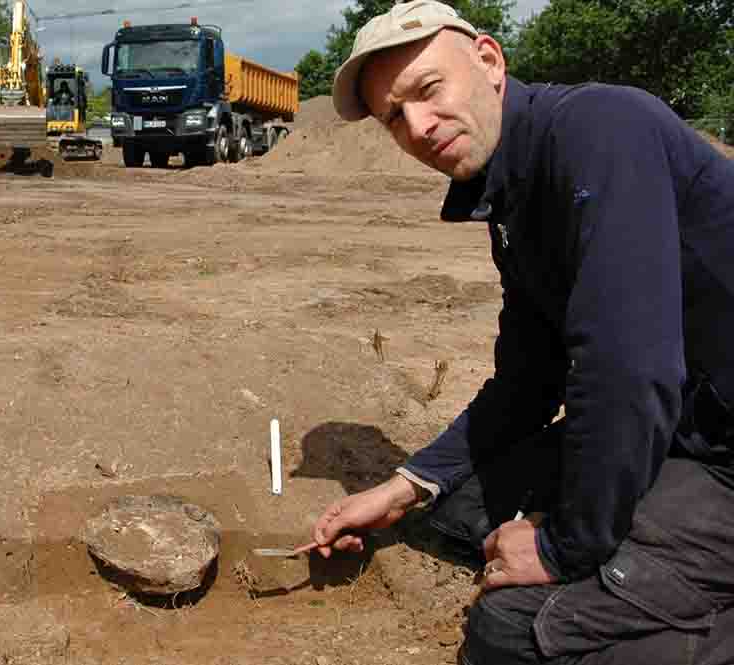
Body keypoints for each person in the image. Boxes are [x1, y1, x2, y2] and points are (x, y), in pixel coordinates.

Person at [309, 2, 734, 663]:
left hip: (720, 450)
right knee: (453, 513)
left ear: (488, 60)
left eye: (428, 89)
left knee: (510, 632)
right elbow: (529, 381)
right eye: (396, 117)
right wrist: (404, 485)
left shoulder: (600, 133)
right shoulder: (515, 191)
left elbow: (627, 367)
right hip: (679, 419)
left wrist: (561, 546)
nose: (418, 126)